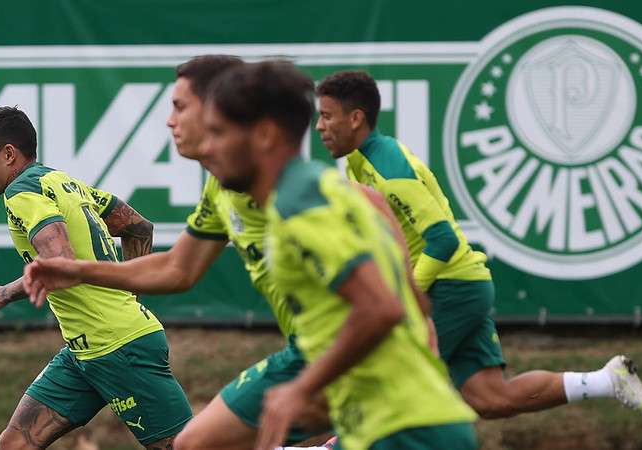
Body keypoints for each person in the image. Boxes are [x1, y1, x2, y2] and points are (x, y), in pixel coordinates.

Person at [313, 70, 642, 424]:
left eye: (326, 116)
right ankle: (607, 381)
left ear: (355, 118)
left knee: (387, 385)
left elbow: (443, 239)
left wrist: (405, 296)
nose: (318, 127)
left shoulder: (388, 169)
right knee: (492, 397)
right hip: (463, 285)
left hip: (449, 290)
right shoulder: (360, 163)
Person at [22, 55, 330, 449]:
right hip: (308, 354)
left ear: (221, 106)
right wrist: (80, 271)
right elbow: (177, 268)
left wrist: (312, 381)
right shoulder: (223, 189)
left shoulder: (308, 196)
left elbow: (385, 308)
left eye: (180, 106)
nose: (170, 121)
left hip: (345, 361)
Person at [200, 60, 478, 450]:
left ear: (263, 135)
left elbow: (382, 308)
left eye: (217, 132)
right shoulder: (337, 189)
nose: (207, 147)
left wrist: (301, 388)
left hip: (406, 431)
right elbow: (412, 301)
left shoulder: (300, 206)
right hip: (394, 423)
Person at [0, 106, 192, 450]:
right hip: (83, 350)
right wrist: (127, 294)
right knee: (15, 444)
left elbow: (61, 264)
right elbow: (139, 228)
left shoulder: (22, 193)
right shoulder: (61, 181)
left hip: (119, 347)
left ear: (8, 154)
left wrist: (5, 292)